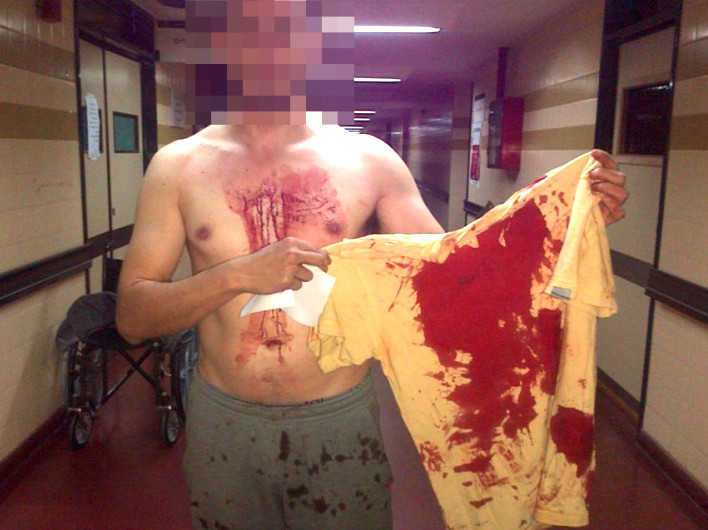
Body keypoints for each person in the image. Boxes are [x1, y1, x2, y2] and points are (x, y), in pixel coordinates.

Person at [115, 4, 628, 530]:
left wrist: (562, 220)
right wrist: (235, 275)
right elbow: (132, 318)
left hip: (337, 420)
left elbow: (458, 276)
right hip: (224, 417)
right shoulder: (178, 166)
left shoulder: (368, 160)